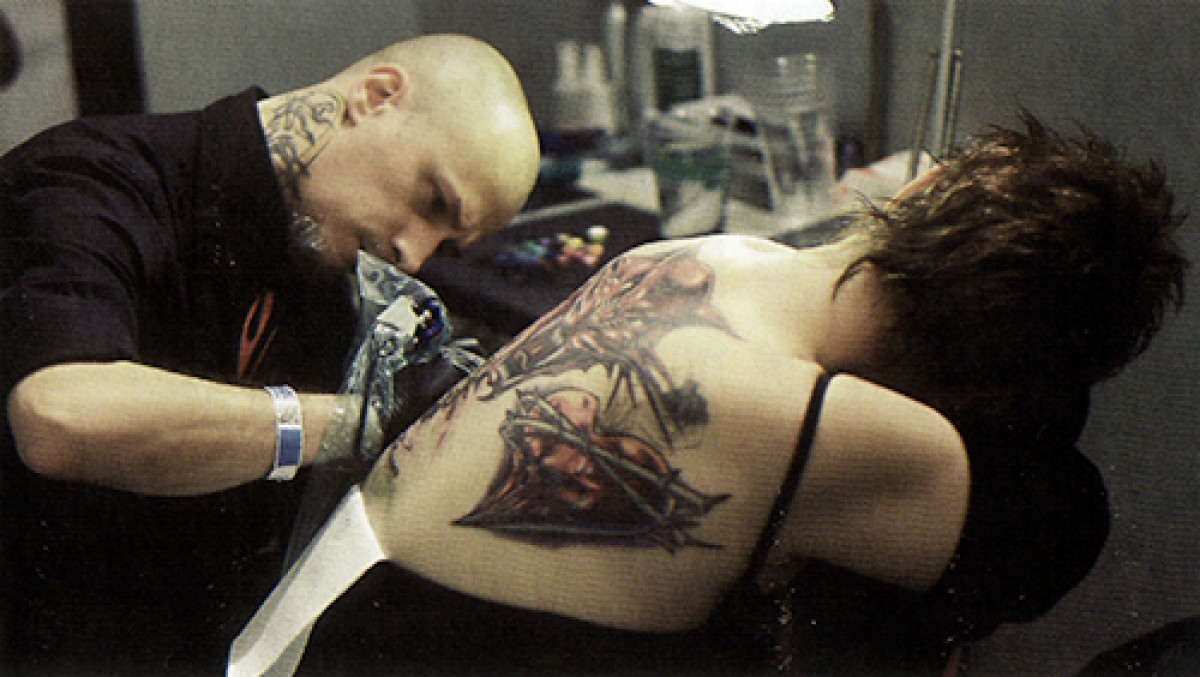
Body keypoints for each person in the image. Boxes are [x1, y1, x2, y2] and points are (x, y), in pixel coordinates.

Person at [280, 116, 1187, 674]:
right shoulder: (849, 433)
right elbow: (1060, 528)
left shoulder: (687, 257)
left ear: (922, 186)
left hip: (330, 625)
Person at [0, 34, 539, 672]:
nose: (413, 255)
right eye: (433, 201)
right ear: (377, 96)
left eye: (445, 244)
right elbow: (60, 416)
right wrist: (353, 425)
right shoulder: (88, 180)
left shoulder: (323, 271)